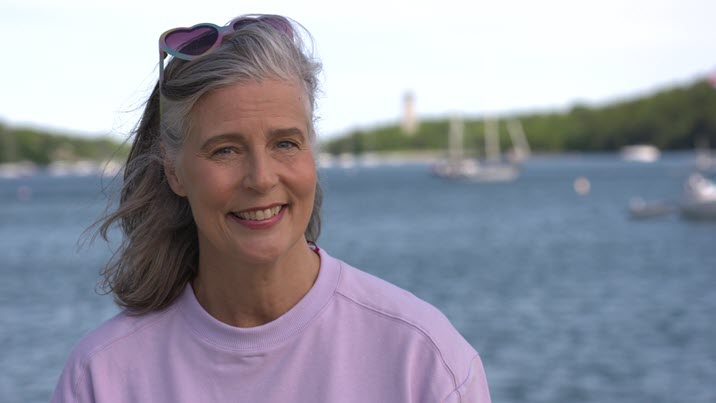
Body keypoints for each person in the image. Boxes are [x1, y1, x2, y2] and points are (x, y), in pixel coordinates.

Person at [51, 14, 491, 402]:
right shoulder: (101, 378)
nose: (261, 178)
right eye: (225, 150)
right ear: (174, 171)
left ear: (311, 154)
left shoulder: (424, 360)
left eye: (284, 143)